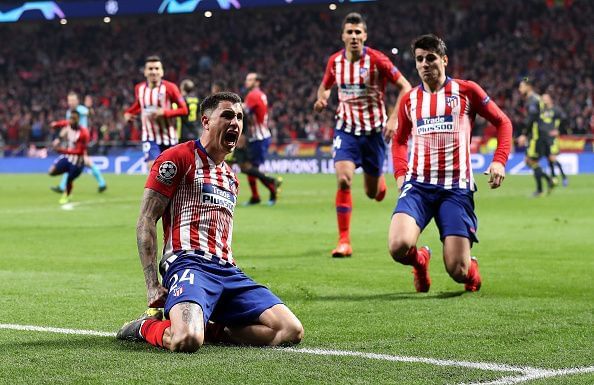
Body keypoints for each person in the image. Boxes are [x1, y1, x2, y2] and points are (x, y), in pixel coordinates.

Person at [116, 92, 304, 352]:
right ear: (206, 121)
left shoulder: (231, 178)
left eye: (239, 117)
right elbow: (146, 219)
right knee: (186, 340)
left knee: (290, 330)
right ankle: (145, 327)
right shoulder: (177, 158)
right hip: (189, 264)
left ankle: (211, 329)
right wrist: (152, 286)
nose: (235, 123)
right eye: (227, 115)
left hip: (228, 271)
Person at [389, 34, 512, 293]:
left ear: (444, 60)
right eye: (419, 59)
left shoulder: (467, 91)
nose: (424, 64)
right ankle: (420, 261)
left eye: (430, 58)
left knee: (458, 271)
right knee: (398, 246)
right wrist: (401, 175)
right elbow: (399, 140)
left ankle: (471, 270)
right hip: (419, 186)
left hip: (456, 190)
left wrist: (499, 161)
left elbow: (503, 122)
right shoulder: (410, 99)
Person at [313, 12, 412, 257]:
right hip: (346, 129)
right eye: (350, 32)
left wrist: (393, 118)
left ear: (365, 36)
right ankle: (344, 241)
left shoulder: (378, 60)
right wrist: (322, 98)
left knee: (372, 194)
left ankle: (378, 185)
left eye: (358, 32)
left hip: (373, 133)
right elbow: (325, 86)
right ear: (343, 36)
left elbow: (406, 87)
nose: (354, 36)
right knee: (344, 179)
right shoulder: (335, 62)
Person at [124, 55, 188, 170]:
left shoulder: (170, 87)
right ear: (145, 72)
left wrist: (165, 113)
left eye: (157, 68)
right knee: (153, 168)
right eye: (150, 69)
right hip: (149, 136)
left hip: (169, 137)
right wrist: (128, 113)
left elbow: (184, 110)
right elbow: (139, 104)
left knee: (171, 172)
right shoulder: (139, 88)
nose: (154, 72)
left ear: (162, 72)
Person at [237, 72, 281, 206]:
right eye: (246, 79)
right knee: (251, 168)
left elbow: (244, 113)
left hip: (258, 137)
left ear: (257, 82)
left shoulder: (253, 95)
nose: (246, 82)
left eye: (250, 80)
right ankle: (256, 196)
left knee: (251, 168)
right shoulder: (259, 95)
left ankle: (271, 185)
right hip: (258, 136)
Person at [51, 92, 107, 194]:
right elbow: (67, 126)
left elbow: (88, 113)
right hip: (74, 141)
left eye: (73, 100)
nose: (71, 102)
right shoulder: (69, 113)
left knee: (74, 161)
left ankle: (62, 186)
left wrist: (89, 108)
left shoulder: (81, 109)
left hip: (81, 140)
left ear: (77, 101)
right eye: (69, 100)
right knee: (80, 161)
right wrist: (59, 138)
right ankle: (102, 183)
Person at [517, 78, 554, 197]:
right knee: (530, 161)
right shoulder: (537, 98)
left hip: (536, 135)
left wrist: (524, 134)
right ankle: (548, 181)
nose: (519, 89)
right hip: (541, 134)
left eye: (521, 86)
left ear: (529, 87)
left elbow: (532, 118)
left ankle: (542, 187)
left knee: (530, 161)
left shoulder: (532, 100)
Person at [48, 110, 90, 204]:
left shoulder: (83, 133)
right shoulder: (69, 125)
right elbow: (63, 123)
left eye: (73, 119)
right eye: (70, 118)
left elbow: (79, 152)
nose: (70, 121)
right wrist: (55, 124)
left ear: (78, 120)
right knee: (51, 172)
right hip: (68, 158)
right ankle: (67, 170)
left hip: (78, 162)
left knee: (69, 179)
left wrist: (61, 150)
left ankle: (67, 195)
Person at [541, 93, 568, 187]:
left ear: (550, 99)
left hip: (552, 139)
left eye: (545, 98)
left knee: (552, 158)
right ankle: (554, 178)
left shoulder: (556, 110)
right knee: (549, 159)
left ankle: (564, 177)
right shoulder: (542, 110)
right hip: (544, 138)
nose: (543, 100)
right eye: (542, 98)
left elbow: (565, 119)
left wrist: (559, 131)